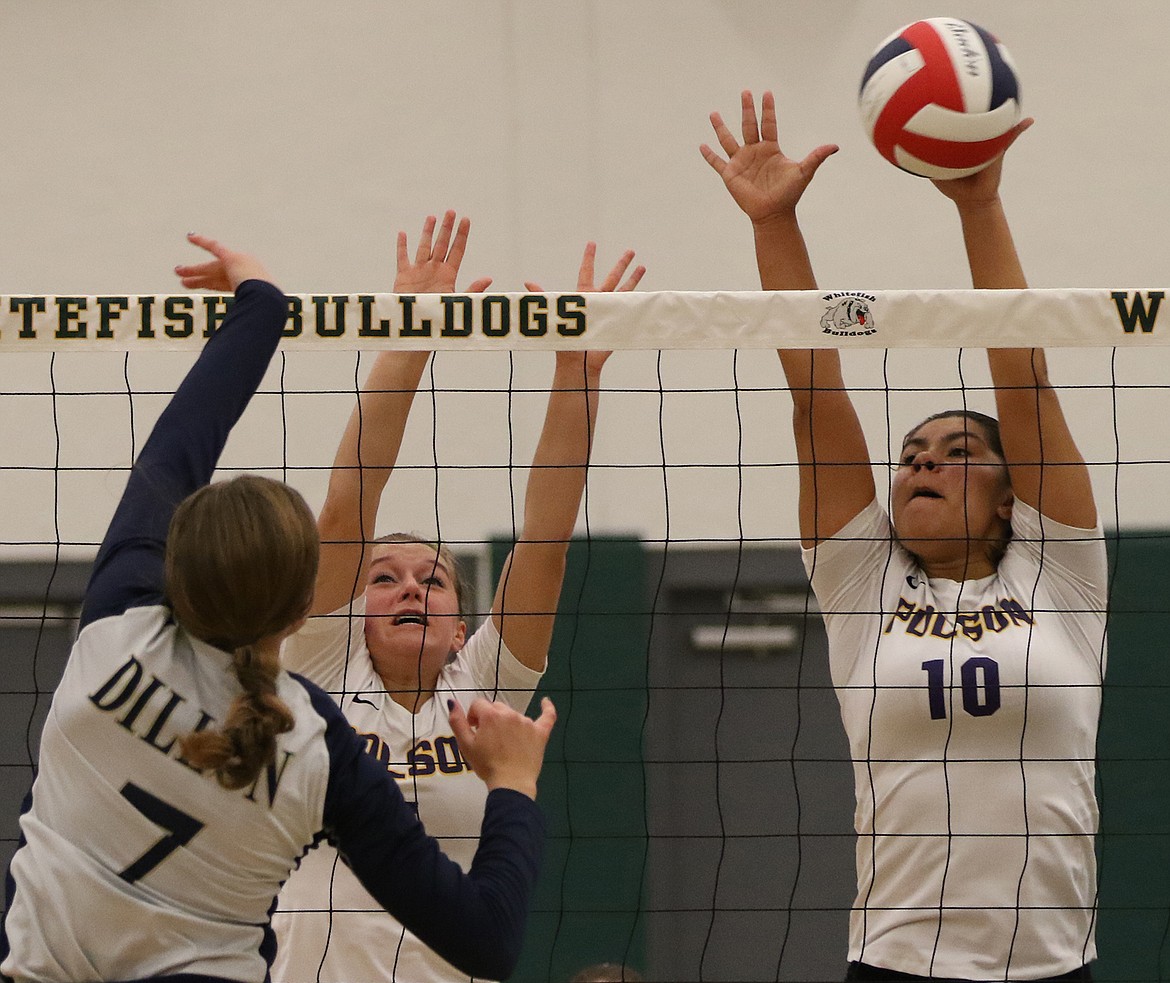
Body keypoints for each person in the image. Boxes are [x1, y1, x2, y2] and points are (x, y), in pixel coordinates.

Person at [0, 234, 556, 983]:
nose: (410, 590)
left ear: (174, 568)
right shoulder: (318, 747)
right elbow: (487, 936)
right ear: (307, 613)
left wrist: (259, 302)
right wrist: (516, 786)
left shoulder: (116, 626)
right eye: (383, 575)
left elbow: (176, 446)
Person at [703, 91, 1106, 981]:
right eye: (912, 454)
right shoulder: (864, 584)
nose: (922, 464)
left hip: (1052, 964)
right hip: (896, 963)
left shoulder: (1063, 576)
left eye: (957, 453)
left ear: (1011, 498)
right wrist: (776, 227)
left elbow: (1025, 379)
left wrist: (979, 203)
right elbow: (815, 393)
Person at [271, 211, 644, 983]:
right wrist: (410, 340)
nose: (410, 584)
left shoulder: (487, 687)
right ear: (348, 607)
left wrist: (577, 376)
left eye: (432, 578)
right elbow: (346, 509)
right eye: (384, 577)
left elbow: (545, 538)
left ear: (461, 623)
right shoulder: (318, 669)